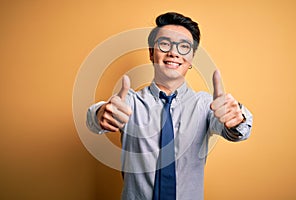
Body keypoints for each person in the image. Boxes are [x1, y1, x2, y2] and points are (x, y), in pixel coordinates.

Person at [86, 12, 253, 200]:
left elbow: (239, 131)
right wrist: (100, 114)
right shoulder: (130, 103)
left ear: (191, 58)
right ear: (151, 53)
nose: (173, 53)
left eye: (183, 47)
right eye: (164, 44)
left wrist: (236, 119)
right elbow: (94, 118)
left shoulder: (206, 106)